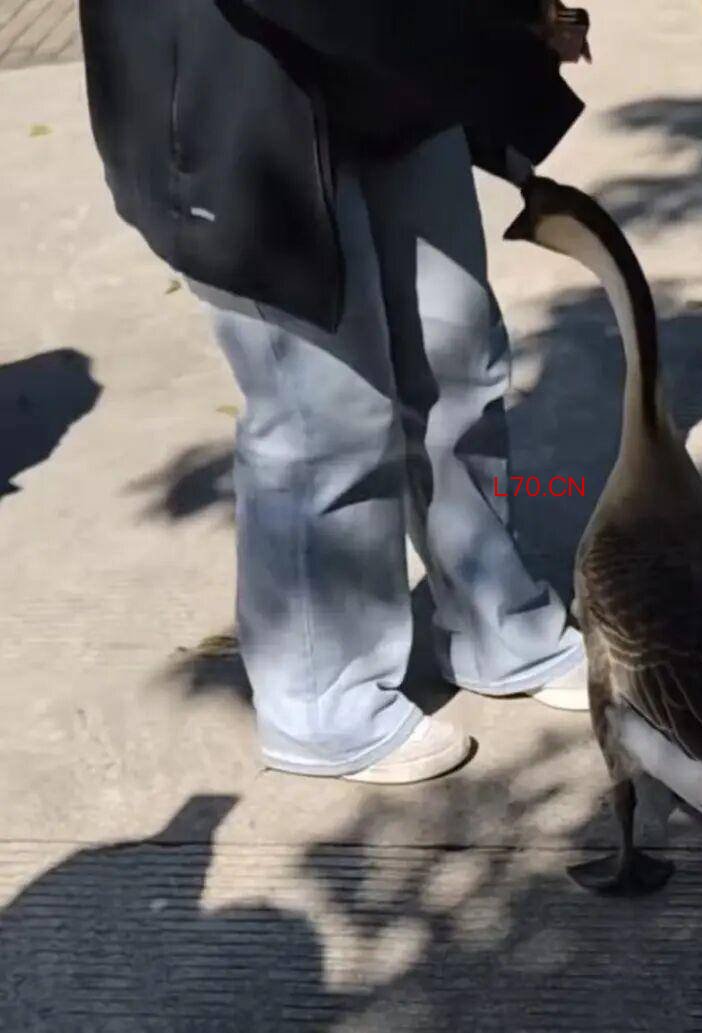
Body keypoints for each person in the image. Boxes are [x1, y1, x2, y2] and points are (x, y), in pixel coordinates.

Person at [79, 2, 591, 784]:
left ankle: (496, 618)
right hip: (241, 87)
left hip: (396, 74)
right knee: (324, 418)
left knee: (457, 355)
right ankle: (321, 701)